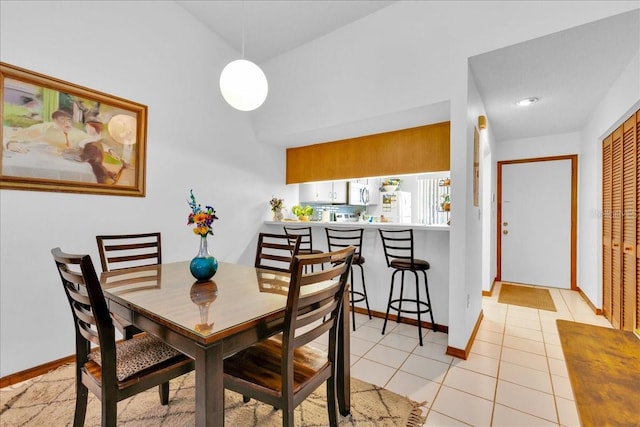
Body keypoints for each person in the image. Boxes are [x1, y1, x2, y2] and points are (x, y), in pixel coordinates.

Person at [4, 109, 90, 153]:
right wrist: (9, 143)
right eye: (62, 119)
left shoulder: (76, 132)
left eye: (68, 120)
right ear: (54, 120)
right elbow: (15, 136)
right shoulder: (43, 128)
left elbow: (91, 141)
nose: (66, 123)